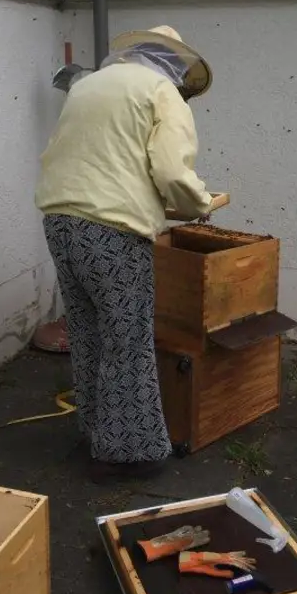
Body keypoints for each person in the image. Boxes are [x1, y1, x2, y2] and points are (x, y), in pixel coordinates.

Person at [35, 25, 216, 483]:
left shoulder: (89, 84)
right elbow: (173, 170)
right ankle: (127, 455)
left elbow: (74, 154)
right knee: (127, 338)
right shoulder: (160, 91)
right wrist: (200, 204)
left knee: (87, 330)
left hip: (59, 219)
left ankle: (97, 434)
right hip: (111, 228)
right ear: (173, 64)